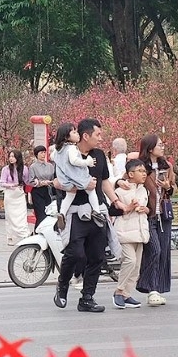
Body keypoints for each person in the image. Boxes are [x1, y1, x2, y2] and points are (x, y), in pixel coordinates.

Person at [52, 119, 120, 313]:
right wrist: (73, 186)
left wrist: (115, 201)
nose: (101, 138)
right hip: (75, 212)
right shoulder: (66, 153)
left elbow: (104, 181)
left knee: (97, 256)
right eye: (98, 134)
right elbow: (56, 181)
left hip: (97, 210)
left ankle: (87, 298)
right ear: (85, 136)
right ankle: (62, 285)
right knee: (75, 253)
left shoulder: (99, 155)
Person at [135, 133, 177, 307]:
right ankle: (149, 288)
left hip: (164, 216)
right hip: (147, 216)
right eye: (159, 144)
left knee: (163, 252)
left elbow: (173, 187)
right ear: (150, 148)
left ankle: (156, 289)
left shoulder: (166, 166)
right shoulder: (140, 167)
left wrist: (168, 187)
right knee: (155, 250)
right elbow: (127, 181)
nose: (163, 146)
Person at [111, 159, 149, 309]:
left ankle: (126, 294)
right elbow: (113, 209)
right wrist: (128, 207)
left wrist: (145, 210)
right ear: (131, 174)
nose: (144, 174)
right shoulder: (120, 191)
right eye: (141, 171)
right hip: (125, 231)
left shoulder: (143, 190)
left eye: (145, 171)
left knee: (136, 266)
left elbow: (148, 209)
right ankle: (119, 291)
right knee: (130, 261)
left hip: (140, 232)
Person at [52, 123, 105, 230]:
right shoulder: (72, 148)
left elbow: (53, 157)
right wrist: (87, 162)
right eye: (74, 132)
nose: (77, 134)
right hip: (77, 176)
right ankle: (96, 211)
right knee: (91, 190)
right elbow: (74, 161)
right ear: (67, 136)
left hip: (65, 179)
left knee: (69, 196)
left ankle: (62, 213)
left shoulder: (59, 150)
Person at [0, 149, 30, 246]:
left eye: (13, 156)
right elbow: (2, 182)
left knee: (21, 214)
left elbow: (27, 181)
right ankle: (10, 236)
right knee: (9, 216)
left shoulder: (24, 168)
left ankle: (24, 233)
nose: (11, 159)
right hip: (10, 194)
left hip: (19, 194)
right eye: (10, 156)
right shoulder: (6, 169)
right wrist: (11, 185)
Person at [28, 145, 56, 229]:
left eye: (44, 152)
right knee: (40, 214)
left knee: (49, 212)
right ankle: (37, 230)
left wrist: (51, 182)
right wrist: (41, 183)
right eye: (41, 153)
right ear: (36, 154)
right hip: (38, 191)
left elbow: (53, 178)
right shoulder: (33, 167)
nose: (43, 154)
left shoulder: (50, 166)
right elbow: (31, 181)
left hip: (48, 190)